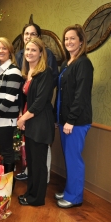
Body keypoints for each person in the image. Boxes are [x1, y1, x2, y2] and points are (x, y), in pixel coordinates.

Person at [55, 24, 93, 209]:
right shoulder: (66, 63)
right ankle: (70, 190)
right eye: (66, 39)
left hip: (76, 122)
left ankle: (74, 197)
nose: (68, 41)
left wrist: (70, 120)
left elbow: (81, 95)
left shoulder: (83, 63)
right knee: (68, 157)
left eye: (72, 38)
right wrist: (60, 119)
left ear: (80, 41)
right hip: (65, 121)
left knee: (74, 159)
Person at [15, 23, 58, 182]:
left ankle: (40, 185)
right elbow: (23, 89)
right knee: (31, 155)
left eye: (33, 34)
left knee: (39, 157)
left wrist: (25, 116)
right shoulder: (21, 58)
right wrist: (22, 112)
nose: (29, 37)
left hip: (38, 115)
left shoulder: (46, 66)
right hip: (27, 112)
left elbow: (44, 92)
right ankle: (31, 183)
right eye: (26, 33)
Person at [17, 38, 55, 206]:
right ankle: (30, 193)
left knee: (39, 165)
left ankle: (37, 198)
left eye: (33, 50)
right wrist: (22, 116)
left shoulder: (46, 72)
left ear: (41, 53)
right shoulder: (28, 73)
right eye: (27, 50)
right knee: (31, 164)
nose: (29, 53)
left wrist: (23, 118)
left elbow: (39, 102)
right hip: (31, 123)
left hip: (41, 124)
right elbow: (25, 99)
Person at [0, 37, 22, 183]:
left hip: (6, 118)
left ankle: (9, 184)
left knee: (7, 151)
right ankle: (6, 182)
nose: (1, 51)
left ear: (10, 51)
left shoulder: (14, 71)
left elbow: (9, 99)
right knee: (4, 150)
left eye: (4, 48)